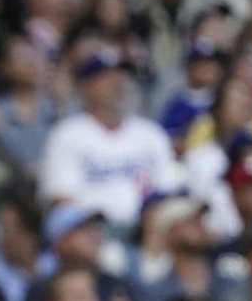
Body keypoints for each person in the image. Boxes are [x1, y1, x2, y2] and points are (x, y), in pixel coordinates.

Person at [40, 47, 178, 229]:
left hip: (148, 229)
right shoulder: (67, 135)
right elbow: (63, 200)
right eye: (105, 76)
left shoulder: (150, 133)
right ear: (84, 87)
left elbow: (168, 192)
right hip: (94, 231)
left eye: (119, 74)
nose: (116, 82)